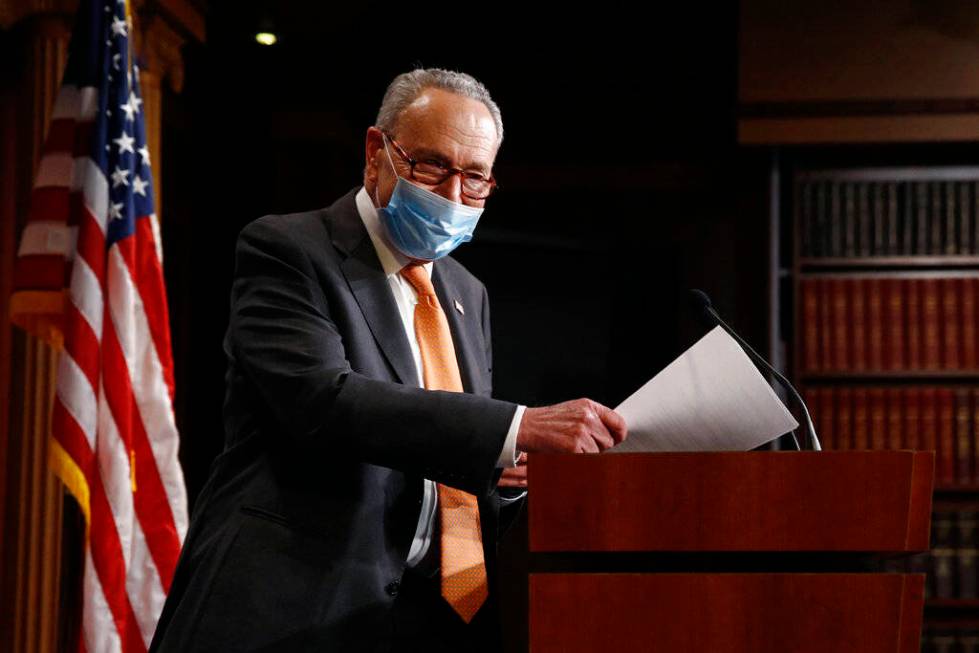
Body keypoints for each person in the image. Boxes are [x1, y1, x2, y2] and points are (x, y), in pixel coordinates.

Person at [149, 68, 627, 653]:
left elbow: (445, 446)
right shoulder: (289, 250)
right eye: (431, 165)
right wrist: (515, 425)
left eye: (475, 179)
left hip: (425, 621)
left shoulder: (466, 293)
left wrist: (505, 474)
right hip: (287, 612)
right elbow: (325, 401)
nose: (452, 196)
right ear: (376, 152)